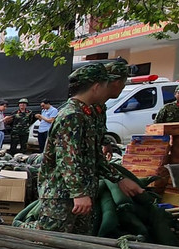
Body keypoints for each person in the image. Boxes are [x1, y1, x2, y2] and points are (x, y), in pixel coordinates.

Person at [37, 64, 144, 235]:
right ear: (96, 87)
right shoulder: (72, 115)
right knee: (50, 242)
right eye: (105, 85)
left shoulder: (85, 114)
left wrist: (119, 178)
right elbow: (67, 159)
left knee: (77, 246)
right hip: (63, 195)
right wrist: (78, 193)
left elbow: (93, 157)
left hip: (79, 193)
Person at [98, 60, 130, 158]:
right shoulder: (82, 111)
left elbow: (99, 132)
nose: (123, 86)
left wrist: (106, 143)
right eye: (124, 82)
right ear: (117, 82)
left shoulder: (100, 107)